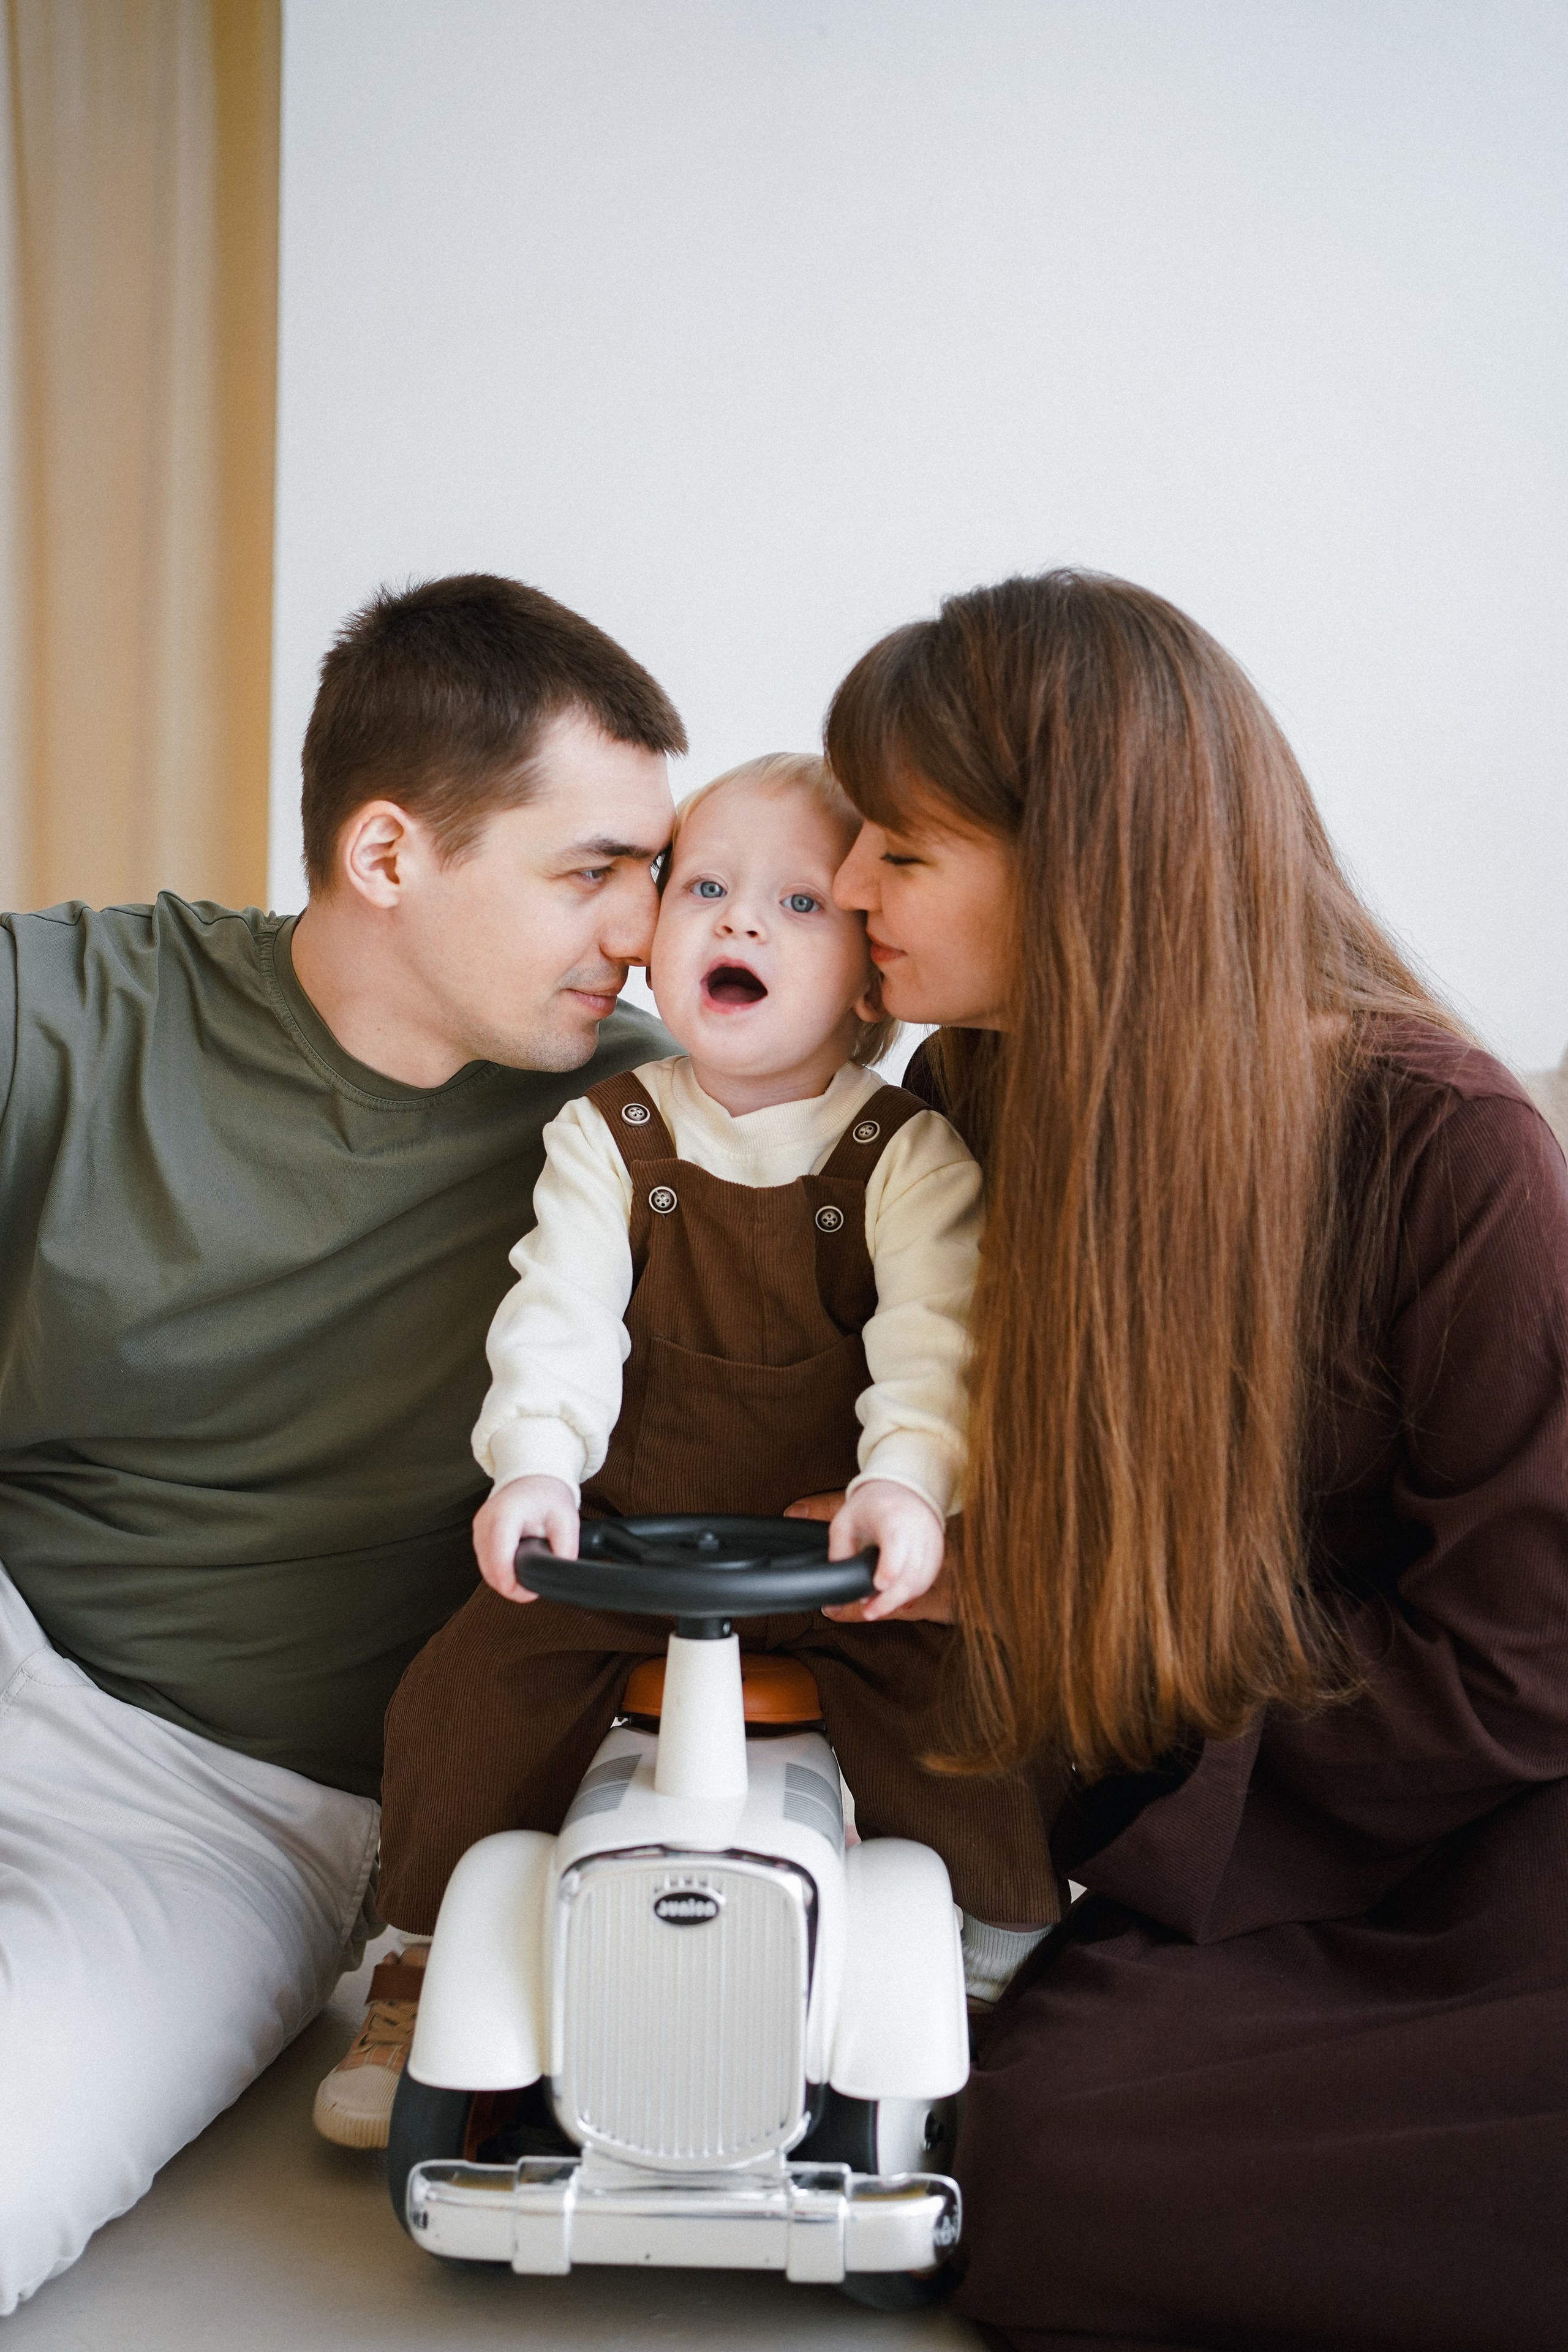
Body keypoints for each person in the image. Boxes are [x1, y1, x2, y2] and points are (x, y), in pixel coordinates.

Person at [823, 570, 1568, 2350]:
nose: (850, 889)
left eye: (902, 852)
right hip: (1223, 1853)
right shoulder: (972, 1106)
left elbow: (1523, 1658)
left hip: (1462, 1823)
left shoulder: (1449, 1145)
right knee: (1042, 2168)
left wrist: (1138, 1699)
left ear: (1086, 862)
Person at [0, 573, 685, 2312]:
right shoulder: (70, 1011)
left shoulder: (646, 1133)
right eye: (588, 873)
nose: (639, 932)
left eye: (654, 877)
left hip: (220, 1809)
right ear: (389, 858)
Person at [315, 753, 1063, 2146]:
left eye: (794, 903)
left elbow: (938, 1344)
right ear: (654, 940)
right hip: (624, 1547)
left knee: (967, 1710)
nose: (738, 924)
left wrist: (906, 1490)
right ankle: (420, 1960)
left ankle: (983, 1958)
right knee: (469, 1689)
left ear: (868, 972)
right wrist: (535, 1467)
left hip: (832, 1559)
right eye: (704, 889)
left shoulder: (907, 1158)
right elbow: (559, 1311)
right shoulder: (609, 1133)